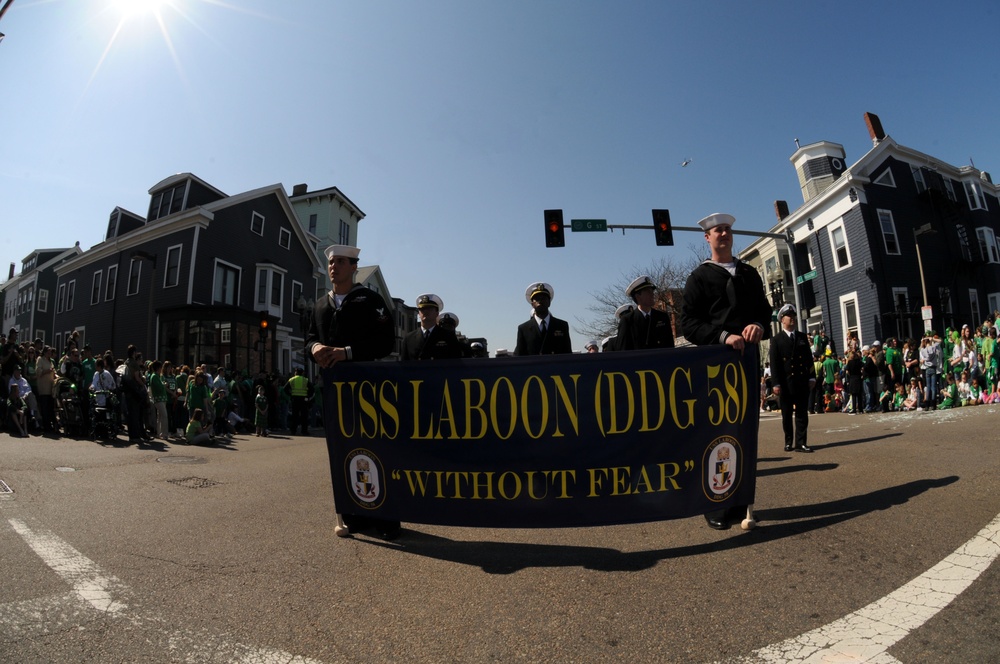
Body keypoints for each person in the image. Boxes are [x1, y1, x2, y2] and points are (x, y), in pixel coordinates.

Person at [678, 212, 772, 530]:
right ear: (707, 238)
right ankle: (715, 502)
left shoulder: (749, 274)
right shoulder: (699, 277)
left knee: (745, 430)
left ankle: (739, 500)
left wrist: (759, 325)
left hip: (746, 363)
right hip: (716, 363)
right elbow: (688, 323)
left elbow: (765, 312)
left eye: (728, 230)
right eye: (718, 231)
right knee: (717, 431)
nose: (724, 234)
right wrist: (722, 336)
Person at [305, 244, 397, 540]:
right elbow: (307, 340)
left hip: (367, 389)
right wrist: (315, 347)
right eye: (331, 262)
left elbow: (386, 344)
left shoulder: (370, 301)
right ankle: (352, 512)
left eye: (341, 262)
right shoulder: (320, 305)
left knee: (376, 449)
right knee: (343, 452)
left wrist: (347, 352)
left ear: (354, 266)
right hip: (333, 391)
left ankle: (384, 516)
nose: (334, 267)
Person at [769, 304, 816, 452]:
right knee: (787, 414)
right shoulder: (777, 340)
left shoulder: (801, 337)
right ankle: (789, 441)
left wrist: (812, 377)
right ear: (782, 320)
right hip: (786, 383)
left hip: (801, 381)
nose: (792, 319)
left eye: (793, 316)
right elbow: (775, 363)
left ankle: (801, 443)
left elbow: (809, 359)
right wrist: (776, 383)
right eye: (789, 316)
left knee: (802, 413)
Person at [613, 275, 675, 351]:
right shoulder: (628, 321)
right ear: (638, 296)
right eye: (648, 292)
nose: (652, 294)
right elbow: (623, 350)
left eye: (652, 291)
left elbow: (670, 347)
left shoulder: (662, 317)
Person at [514, 282, 573, 355]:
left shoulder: (562, 326)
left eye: (543, 298)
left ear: (549, 303)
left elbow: (568, 354)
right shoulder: (523, 328)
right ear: (532, 304)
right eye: (537, 299)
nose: (540, 301)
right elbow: (519, 355)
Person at [401, 294, 465, 361]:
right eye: (422, 309)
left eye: (429, 309)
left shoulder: (448, 336)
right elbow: (404, 367)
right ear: (419, 313)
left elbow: (456, 363)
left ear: (437, 313)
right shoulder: (409, 338)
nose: (425, 312)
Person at [285, 366, 312, 435]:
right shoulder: (305, 380)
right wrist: (307, 396)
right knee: (304, 416)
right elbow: (312, 389)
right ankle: (304, 431)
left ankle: (293, 431)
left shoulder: (292, 379)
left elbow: (285, 388)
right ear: (302, 373)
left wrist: (290, 394)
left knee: (294, 416)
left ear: (295, 372)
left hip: (294, 399)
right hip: (303, 400)